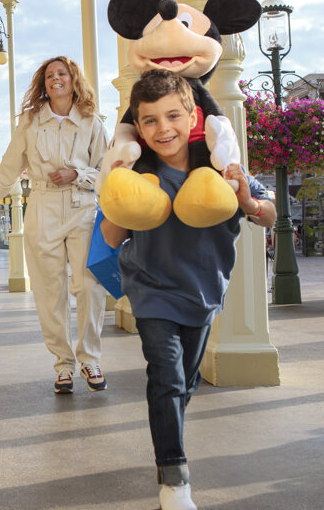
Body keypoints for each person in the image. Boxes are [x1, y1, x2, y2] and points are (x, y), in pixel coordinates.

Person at [100, 70, 276, 510]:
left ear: (194, 116)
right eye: (151, 121)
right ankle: (174, 478)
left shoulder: (219, 166)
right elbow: (109, 236)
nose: (164, 129)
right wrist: (118, 191)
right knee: (166, 374)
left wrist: (247, 201)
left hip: (203, 290)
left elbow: (269, 213)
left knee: (184, 381)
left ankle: (170, 422)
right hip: (150, 289)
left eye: (173, 116)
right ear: (137, 128)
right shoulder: (137, 171)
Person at [0, 56, 110, 393]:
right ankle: (63, 365)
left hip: (83, 208)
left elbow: (108, 172)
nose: (56, 79)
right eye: (49, 75)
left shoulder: (92, 121)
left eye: (61, 74)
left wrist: (77, 174)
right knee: (49, 292)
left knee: (88, 285)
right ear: (43, 83)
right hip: (42, 206)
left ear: (73, 79)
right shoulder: (31, 122)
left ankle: (90, 359)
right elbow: (8, 170)